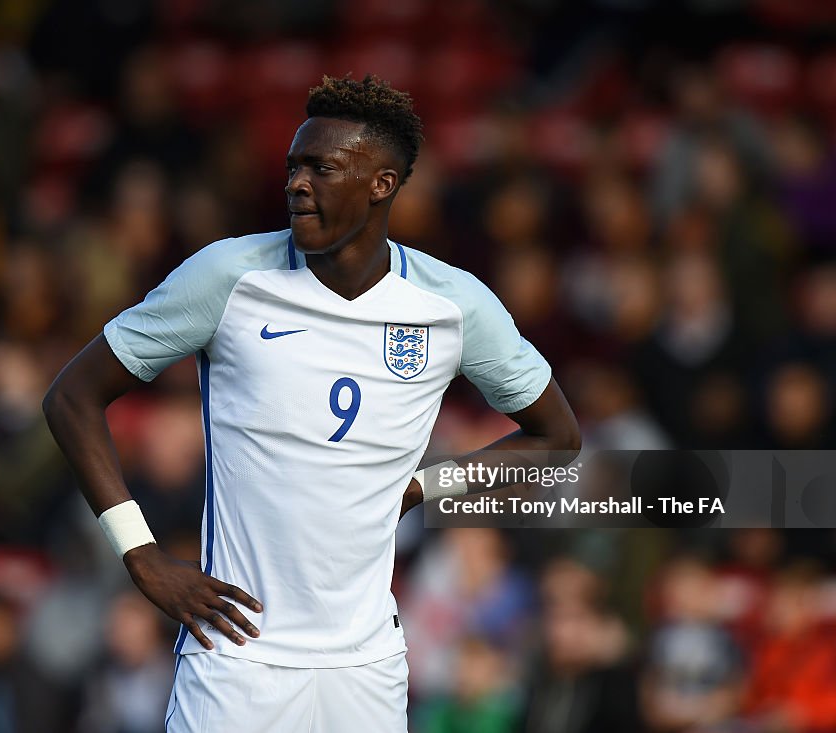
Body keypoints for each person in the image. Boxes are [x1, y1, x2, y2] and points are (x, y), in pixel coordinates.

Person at [43, 75, 580, 732]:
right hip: (238, 656)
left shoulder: (453, 303)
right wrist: (141, 554)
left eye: (321, 168)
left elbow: (556, 437)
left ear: (381, 183)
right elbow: (71, 395)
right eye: (294, 166)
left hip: (367, 664)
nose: (297, 182)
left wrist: (423, 487)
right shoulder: (229, 276)